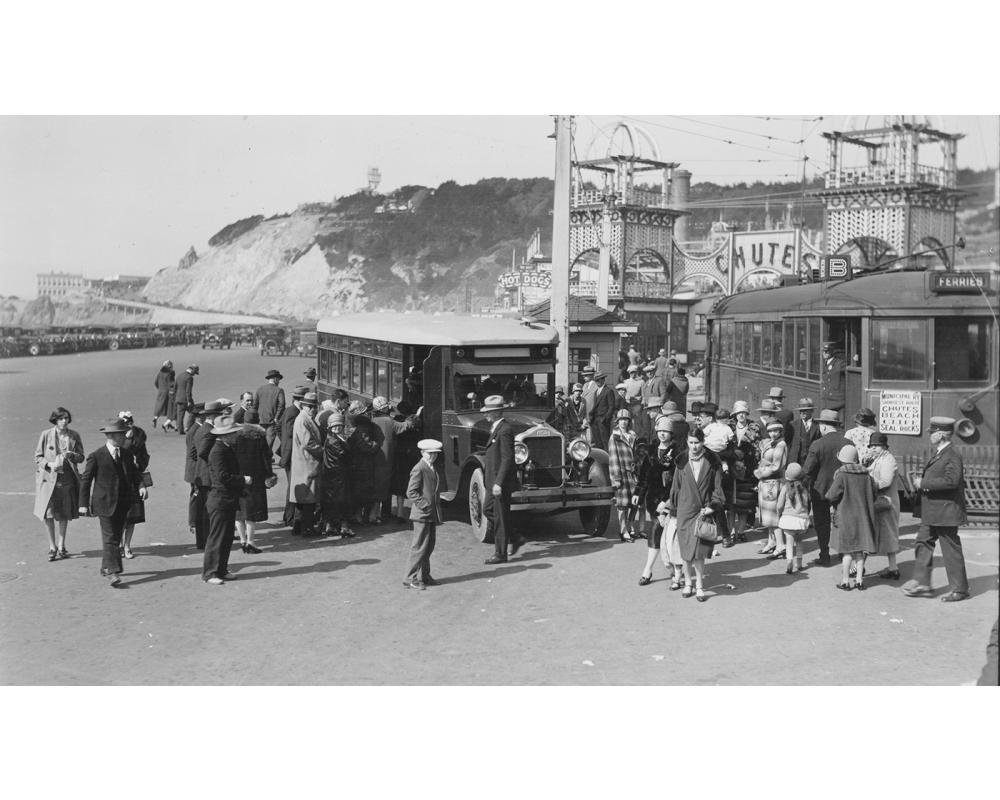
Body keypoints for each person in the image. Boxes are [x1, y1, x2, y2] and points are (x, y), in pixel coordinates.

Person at [902, 417, 970, 602]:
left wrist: (923, 483)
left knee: (950, 550)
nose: (930, 435)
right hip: (933, 511)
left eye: (932, 432)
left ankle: (960, 589)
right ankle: (923, 583)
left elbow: (952, 481)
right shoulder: (941, 452)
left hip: (946, 512)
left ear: (941, 434)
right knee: (922, 542)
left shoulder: (951, 454)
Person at [78, 418, 146, 586]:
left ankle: (105, 567)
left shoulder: (127, 454)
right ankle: (113, 571)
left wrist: (142, 485)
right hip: (104, 503)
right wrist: (83, 504)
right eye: (121, 434)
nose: (125, 437)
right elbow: (86, 480)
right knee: (111, 538)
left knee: (115, 535)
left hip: (123, 503)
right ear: (111, 436)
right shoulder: (97, 456)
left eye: (124, 433)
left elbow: (135, 474)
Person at [668, 428, 725, 602]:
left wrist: (713, 506)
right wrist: (672, 511)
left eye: (697, 443)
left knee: (699, 552)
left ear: (703, 442)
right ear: (687, 442)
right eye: (691, 442)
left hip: (703, 510)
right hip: (685, 511)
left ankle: (699, 586)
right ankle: (687, 584)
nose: (694, 447)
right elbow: (675, 488)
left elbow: (717, 487)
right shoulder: (681, 461)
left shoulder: (713, 461)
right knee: (686, 552)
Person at [635, 416, 685, 587]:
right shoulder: (651, 450)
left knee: (668, 535)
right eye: (660, 431)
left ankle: (664, 571)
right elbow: (644, 475)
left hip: (672, 500)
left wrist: (667, 501)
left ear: (671, 433)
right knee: (658, 533)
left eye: (666, 431)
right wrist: (638, 493)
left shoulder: (677, 452)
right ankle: (658, 570)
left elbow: (679, 480)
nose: (663, 434)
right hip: (652, 500)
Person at [202, 415, 251, 585]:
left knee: (226, 537)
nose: (236, 435)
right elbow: (223, 477)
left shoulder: (226, 447)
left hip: (227, 500)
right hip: (220, 499)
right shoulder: (218, 451)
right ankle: (210, 573)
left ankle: (221, 569)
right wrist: (243, 480)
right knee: (217, 538)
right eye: (234, 433)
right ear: (225, 435)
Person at [33, 407, 85, 561]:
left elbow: (81, 457)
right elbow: (38, 457)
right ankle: (52, 546)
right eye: (61, 418)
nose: (64, 421)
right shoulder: (46, 435)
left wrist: (72, 455)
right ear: (55, 420)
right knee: (48, 513)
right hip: (48, 479)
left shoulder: (74, 435)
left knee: (64, 512)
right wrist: (49, 465)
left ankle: (62, 546)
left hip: (67, 478)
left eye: (66, 418)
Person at [802, 409, 851, 567]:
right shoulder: (848, 443)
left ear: (823, 426)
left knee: (822, 523)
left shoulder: (817, 444)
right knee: (842, 521)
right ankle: (844, 553)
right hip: (843, 489)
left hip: (820, 489)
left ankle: (825, 555)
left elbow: (807, 469)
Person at [826, 444, 878, 591]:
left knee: (847, 551)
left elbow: (831, 495)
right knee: (860, 551)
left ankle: (845, 581)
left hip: (846, 517)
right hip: (863, 518)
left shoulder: (841, 475)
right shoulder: (867, 476)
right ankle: (860, 581)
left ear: (842, 460)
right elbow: (874, 495)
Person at [482, 395, 518, 564]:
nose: (485, 415)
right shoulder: (496, 427)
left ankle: (500, 554)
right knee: (487, 510)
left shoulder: (505, 430)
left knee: (499, 514)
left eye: (488, 412)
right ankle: (515, 536)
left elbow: (507, 458)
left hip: (499, 483)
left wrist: (498, 483)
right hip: (493, 481)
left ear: (496, 413)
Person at [403, 438, 444, 590]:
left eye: (435, 454)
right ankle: (410, 578)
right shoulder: (419, 468)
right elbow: (411, 492)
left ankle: (424, 576)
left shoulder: (429, 466)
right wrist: (425, 505)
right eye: (430, 453)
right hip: (422, 514)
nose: (433, 456)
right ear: (422, 453)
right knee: (419, 547)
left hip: (429, 514)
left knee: (428, 546)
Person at [371, 395, 418, 523]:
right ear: (385, 408)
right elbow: (405, 426)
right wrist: (413, 416)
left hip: (375, 456)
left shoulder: (374, 420)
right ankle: (374, 516)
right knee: (382, 485)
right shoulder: (389, 421)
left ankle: (375, 514)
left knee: (377, 485)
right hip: (386, 458)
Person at [232, 416, 276, 554]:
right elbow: (266, 458)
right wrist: (269, 475)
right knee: (252, 513)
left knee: (239, 512)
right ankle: (251, 541)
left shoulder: (236, 436)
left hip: (239, 478)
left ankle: (242, 540)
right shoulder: (259, 437)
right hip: (256, 478)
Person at [866, 432, 903, 581]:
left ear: (884, 446)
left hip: (886, 502)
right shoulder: (880, 458)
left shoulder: (888, 460)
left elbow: (886, 482)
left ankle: (858, 567)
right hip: (882, 502)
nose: (873, 448)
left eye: (877, 446)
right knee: (884, 535)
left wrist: (867, 486)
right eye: (872, 446)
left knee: (886, 534)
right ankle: (893, 568)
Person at [289, 392, 323, 536]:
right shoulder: (303, 419)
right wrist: (323, 451)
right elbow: (308, 442)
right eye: (312, 407)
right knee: (309, 498)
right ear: (306, 407)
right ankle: (307, 528)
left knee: (301, 498)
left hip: (302, 462)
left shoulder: (303, 418)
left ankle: (298, 525)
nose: (314, 409)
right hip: (307, 463)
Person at [728, 400, 761, 542]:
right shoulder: (729, 428)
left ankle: (741, 531)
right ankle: (730, 531)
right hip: (730, 469)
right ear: (735, 414)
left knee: (744, 503)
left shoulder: (754, 429)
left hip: (747, 470)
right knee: (730, 504)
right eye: (738, 413)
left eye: (743, 413)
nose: (741, 415)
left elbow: (758, 451)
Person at [118, 411, 149, 560]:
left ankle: (127, 545)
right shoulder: (117, 437)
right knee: (120, 517)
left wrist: (140, 464)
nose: (129, 424)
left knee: (132, 516)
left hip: (134, 478)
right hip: (118, 480)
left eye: (130, 421)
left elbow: (144, 456)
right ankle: (119, 544)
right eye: (125, 422)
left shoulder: (139, 436)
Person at [346, 400, 384, 525]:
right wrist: (376, 444)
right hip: (363, 464)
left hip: (356, 463)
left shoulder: (356, 426)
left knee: (359, 491)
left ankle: (359, 515)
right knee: (363, 492)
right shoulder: (364, 428)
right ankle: (360, 516)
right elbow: (367, 446)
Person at [755, 421, 788, 559]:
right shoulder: (770, 443)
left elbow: (776, 466)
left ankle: (781, 546)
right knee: (767, 515)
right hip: (766, 482)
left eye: (776, 431)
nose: (773, 433)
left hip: (773, 482)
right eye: (770, 431)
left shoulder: (781, 444)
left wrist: (760, 472)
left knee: (774, 515)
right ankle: (772, 542)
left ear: (780, 431)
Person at [321, 412, 354, 538]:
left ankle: (330, 526)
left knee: (331, 501)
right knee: (343, 501)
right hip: (339, 475)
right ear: (330, 427)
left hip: (330, 474)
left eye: (339, 426)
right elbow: (344, 455)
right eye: (335, 426)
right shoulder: (335, 440)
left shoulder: (330, 438)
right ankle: (344, 528)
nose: (337, 428)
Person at [608, 408, 638, 542]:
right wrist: (616, 478)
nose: (623, 422)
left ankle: (631, 525)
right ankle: (623, 530)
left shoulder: (633, 435)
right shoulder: (614, 437)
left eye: (626, 420)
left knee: (635, 503)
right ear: (617, 422)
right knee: (622, 504)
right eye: (621, 420)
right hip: (622, 473)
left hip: (633, 474)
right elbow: (613, 458)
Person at [279, 386, 307, 526]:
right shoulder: (294, 412)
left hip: (288, 451)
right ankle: (290, 518)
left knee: (292, 485)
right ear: (301, 400)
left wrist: (283, 442)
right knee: (292, 486)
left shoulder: (290, 410)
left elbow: (279, 427)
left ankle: (288, 516)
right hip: (291, 453)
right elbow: (291, 431)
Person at [776, 463, 812, 574]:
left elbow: (779, 505)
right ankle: (799, 563)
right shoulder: (805, 488)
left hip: (788, 520)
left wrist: (779, 514)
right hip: (801, 520)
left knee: (789, 542)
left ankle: (789, 561)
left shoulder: (785, 488)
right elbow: (808, 505)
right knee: (800, 541)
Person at [390, 400, 422, 520]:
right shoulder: (416, 421)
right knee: (414, 483)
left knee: (400, 485)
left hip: (400, 455)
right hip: (413, 455)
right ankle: (415, 512)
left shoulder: (398, 421)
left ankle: (400, 512)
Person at [184, 402, 208, 549]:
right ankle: (193, 522)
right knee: (196, 496)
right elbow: (193, 452)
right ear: (200, 417)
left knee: (195, 496)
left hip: (193, 468)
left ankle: (193, 522)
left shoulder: (195, 428)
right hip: (195, 470)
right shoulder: (196, 430)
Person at [253, 369, 286, 457]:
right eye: (278, 379)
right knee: (269, 443)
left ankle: (261, 458)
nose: (279, 381)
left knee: (259, 442)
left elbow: (255, 404)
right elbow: (282, 405)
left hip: (260, 420)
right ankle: (265, 460)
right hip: (272, 421)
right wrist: (277, 417)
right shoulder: (279, 390)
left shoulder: (260, 389)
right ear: (275, 379)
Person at [788, 397, 820, 467]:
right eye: (800, 411)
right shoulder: (793, 425)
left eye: (805, 410)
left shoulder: (818, 426)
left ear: (812, 411)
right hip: (795, 462)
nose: (802, 413)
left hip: (811, 463)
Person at [588, 372, 615, 448]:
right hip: (595, 421)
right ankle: (599, 459)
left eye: (599, 380)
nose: (598, 382)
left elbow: (611, 407)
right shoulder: (596, 392)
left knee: (605, 441)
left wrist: (606, 419)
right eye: (596, 380)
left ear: (603, 380)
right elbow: (595, 406)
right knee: (597, 441)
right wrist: (591, 416)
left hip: (603, 421)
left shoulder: (608, 391)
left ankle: (607, 458)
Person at [820, 341, 847, 413]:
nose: (824, 353)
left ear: (832, 352)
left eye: (827, 351)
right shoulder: (826, 363)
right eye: (823, 351)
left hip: (837, 402)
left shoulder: (840, 363)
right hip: (827, 401)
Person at [174, 363, 199, 435]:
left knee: (180, 416)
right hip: (186, 399)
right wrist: (189, 400)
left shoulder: (180, 375)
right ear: (192, 370)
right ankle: (188, 428)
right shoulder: (189, 378)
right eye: (195, 372)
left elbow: (175, 387)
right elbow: (188, 390)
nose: (194, 374)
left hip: (178, 399)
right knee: (194, 412)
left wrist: (176, 398)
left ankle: (180, 430)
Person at [152, 360, 176, 432]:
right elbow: (170, 383)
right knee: (170, 408)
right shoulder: (171, 372)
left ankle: (155, 418)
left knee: (160, 406)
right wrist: (173, 390)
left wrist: (160, 389)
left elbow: (155, 382)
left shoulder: (160, 372)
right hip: (168, 392)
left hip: (160, 391)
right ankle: (169, 422)